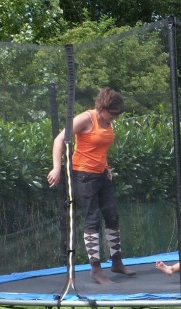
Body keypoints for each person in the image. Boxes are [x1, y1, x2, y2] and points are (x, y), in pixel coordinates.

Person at [46, 87, 134, 284]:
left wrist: (106, 166)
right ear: (102, 107)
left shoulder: (107, 121)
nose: (114, 118)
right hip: (84, 177)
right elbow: (59, 139)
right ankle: (95, 269)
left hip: (102, 175)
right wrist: (56, 167)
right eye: (112, 114)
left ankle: (116, 262)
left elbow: (98, 148)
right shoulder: (86, 118)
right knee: (92, 219)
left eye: (117, 115)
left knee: (112, 215)